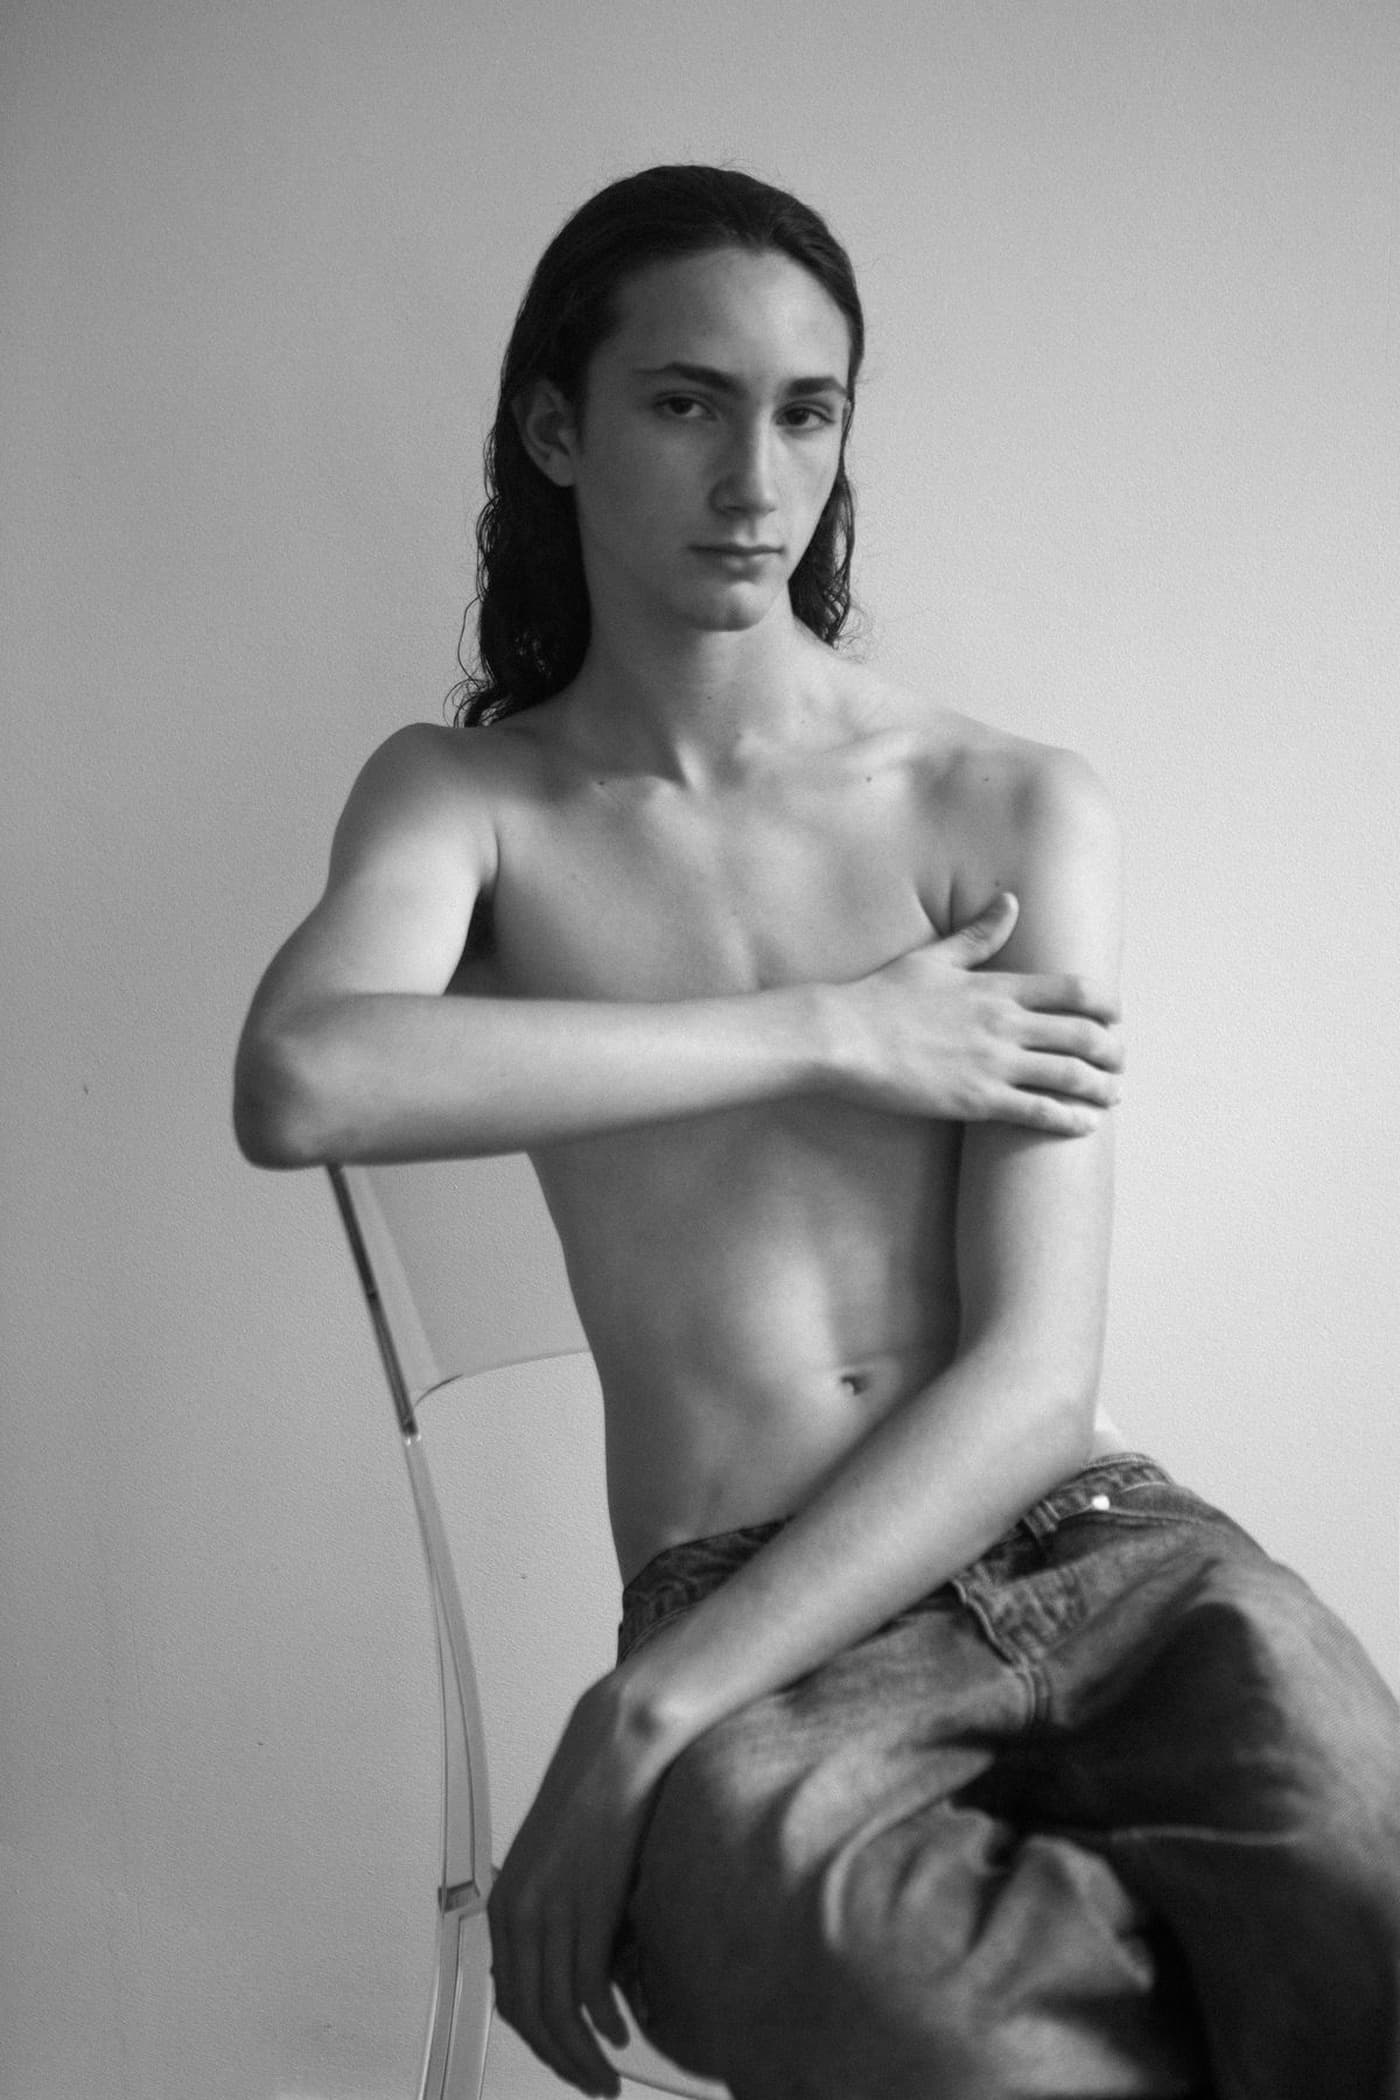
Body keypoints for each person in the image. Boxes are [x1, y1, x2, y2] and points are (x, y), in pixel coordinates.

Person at [235, 165, 1400, 2100]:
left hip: (1111, 1560)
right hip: (754, 1620)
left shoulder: (1001, 805)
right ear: (556, 426)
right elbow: (303, 1081)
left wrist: (631, 1720)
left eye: (806, 412)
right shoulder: (473, 803)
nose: (753, 480)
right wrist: (833, 1032)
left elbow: (1037, 1377)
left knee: (1371, 1927)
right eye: (686, 403)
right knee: (980, 2051)